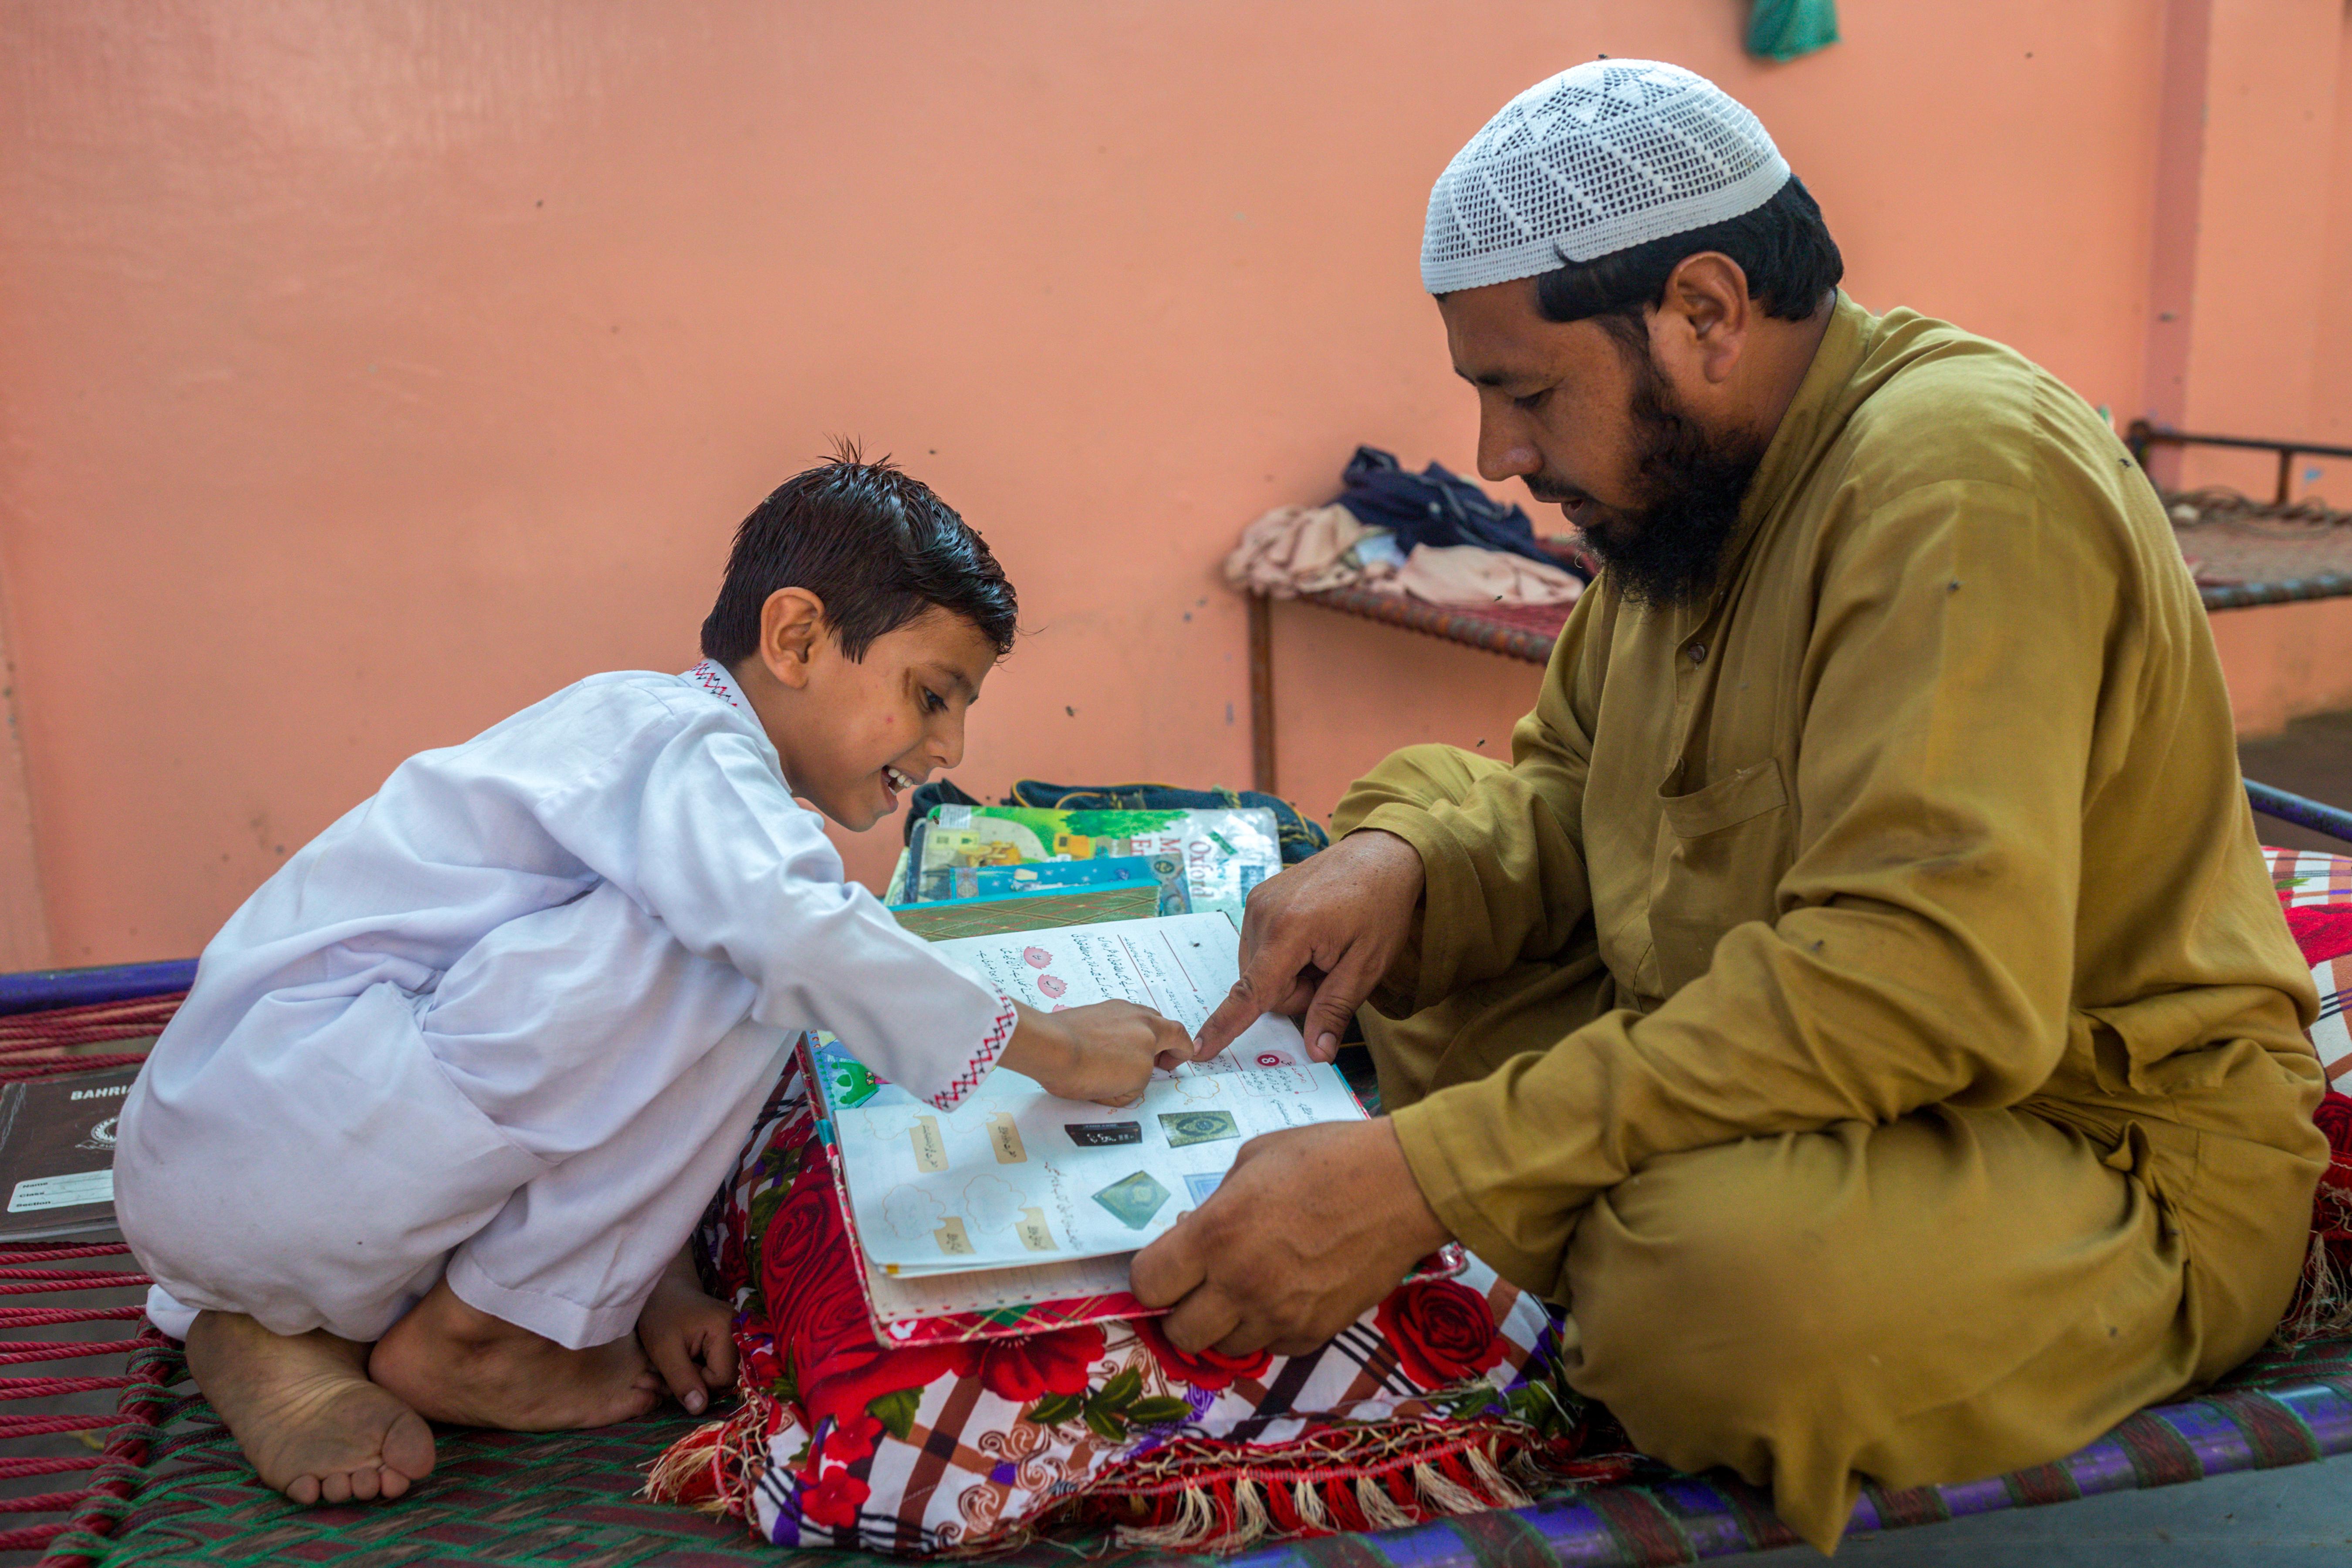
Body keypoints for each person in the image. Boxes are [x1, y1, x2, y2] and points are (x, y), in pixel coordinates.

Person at [1135, 60, 2328, 1552]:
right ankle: (1550, 1163)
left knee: (1706, 1300)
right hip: (1772, 1036)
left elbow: (1922, 986)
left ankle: (1578, 1206)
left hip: (2078, 1141)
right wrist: (1403, 858)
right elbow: (1571, 787)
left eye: (1524, 392)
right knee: (1386, 973)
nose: (1499, 458)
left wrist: (1431, 1172)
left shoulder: (1956, 476)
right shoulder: (1688, 501)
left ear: (1705, 311)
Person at [115, 450, 1193, 1509]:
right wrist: (1054, 1046)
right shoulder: (680, 737)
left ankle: (262, 1332)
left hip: (262, 1169)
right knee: (762, 956)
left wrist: (662, 1280)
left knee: (759, 945)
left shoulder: (681, 785)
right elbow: (789, 940)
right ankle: (487, 1335)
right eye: (931, 694)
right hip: (298, 1130)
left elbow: (630, 1081)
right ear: (798, 637)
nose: (952, 744)